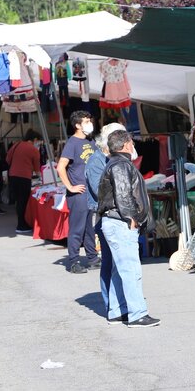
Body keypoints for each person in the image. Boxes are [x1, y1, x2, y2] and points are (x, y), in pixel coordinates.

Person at [96, 129, 159, 327]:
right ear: (125, 145)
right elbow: (123, 195)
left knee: (119, 268)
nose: (133, 146)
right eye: (131, 143)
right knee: (130, 269)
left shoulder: (116, 163)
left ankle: (117, 311)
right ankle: (137, 314)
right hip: (120, 222)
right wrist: (132, 218)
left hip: (115, 221)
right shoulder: (121, 165)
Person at [87, 123, 127, 311]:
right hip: (107, 217)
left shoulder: (115, 159)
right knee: (110, 262)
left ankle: (120, 302)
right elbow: (99, 192)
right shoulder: (97, 161)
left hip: (118, 215)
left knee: (119, 263)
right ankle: (112, 304)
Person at [57, 111, 100, 274]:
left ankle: (93, 258)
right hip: (78, 193)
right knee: (77, 228)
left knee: (89, 227)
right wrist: (70, 187)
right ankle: (74, 261)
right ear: (77, 125)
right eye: (86, 121)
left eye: (90, 120)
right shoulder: (72, 143)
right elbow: (61, 166)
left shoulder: (91, 141)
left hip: (90, 192)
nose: (90, 123)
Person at [7, 129, 41, 234]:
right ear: (35, 139)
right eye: (38, 141)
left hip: (13, 175)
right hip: (24, 177)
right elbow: (37, 168)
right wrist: (40, 178)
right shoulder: (33, 150)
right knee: (23, 201)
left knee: (18, 201)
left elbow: (7, 159)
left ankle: (21, 223)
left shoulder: (16, 145)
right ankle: (21, 225)